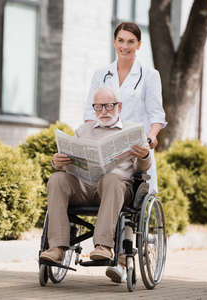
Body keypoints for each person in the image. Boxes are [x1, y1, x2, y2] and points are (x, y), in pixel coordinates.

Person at [83, 22, 167, 283]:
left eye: (131, 41)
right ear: (115, 42)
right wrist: (89, 140)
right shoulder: (102, 74)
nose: (125, 46)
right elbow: (89, 113)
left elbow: (156, 115)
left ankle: (121, 261)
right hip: (104, 148)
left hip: (133, 149)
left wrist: (151, 138)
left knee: (129, 200)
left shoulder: (149, 75)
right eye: (121, 40)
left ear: (139, 45)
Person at [39, 86, 151, 265]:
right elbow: (70, 166)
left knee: (112, 179)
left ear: (119, 107)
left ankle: (103, 246)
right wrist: (59, 161)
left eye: (109, 106)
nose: (104, 111)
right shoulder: (83, 130)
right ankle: (57, 248)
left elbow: (142, 169)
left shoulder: (133, 132)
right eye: (98, 107)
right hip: (84, 187)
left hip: (117, 190)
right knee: (56, 179)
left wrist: (144, 156)